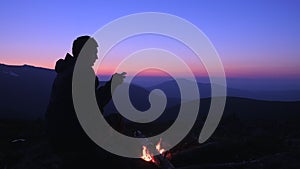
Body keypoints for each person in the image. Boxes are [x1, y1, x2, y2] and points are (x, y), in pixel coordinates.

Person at [45, 35, 126, 169]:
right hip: (72, 135)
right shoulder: (82, 71)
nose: (96, 56)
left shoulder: (67, 69)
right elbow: (93, 107)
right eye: (94, 52)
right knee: (117, 121)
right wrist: (113, 85)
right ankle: (105, 158)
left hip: (55, 132)